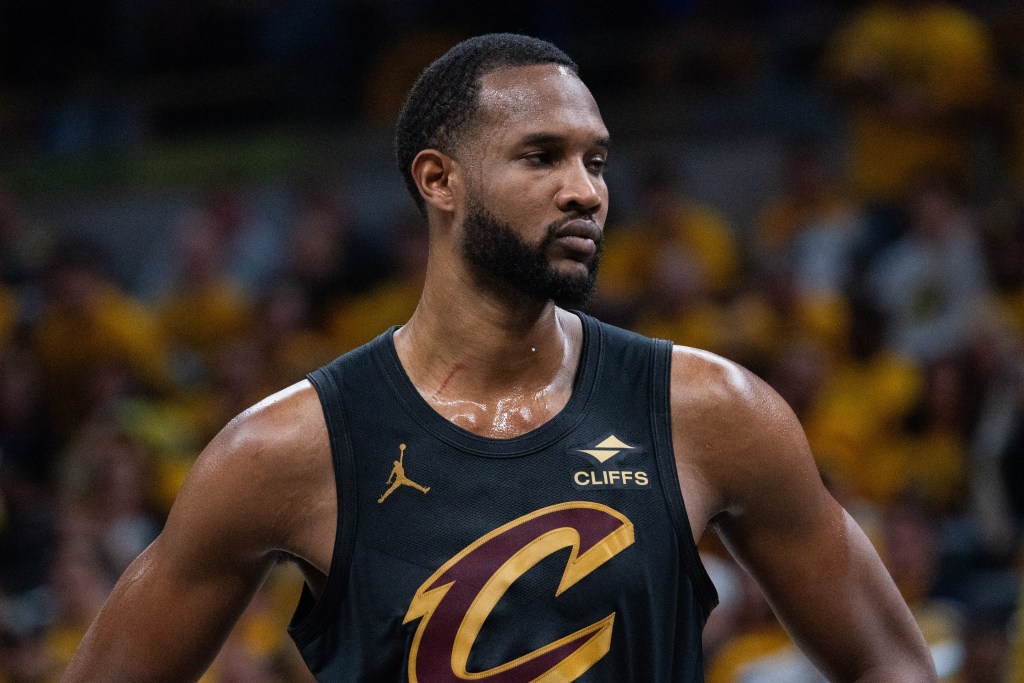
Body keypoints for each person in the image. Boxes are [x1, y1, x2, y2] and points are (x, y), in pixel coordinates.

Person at [62, 33, 937, 682]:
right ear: (439, 181)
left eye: (596, 160)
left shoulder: (712, 410)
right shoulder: (283, 451)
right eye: (541, 156)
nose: (586, 191)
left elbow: (891, 665)